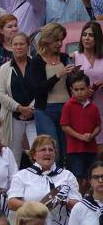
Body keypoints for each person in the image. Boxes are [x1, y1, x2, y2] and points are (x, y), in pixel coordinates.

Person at [8, 135, 81, 224]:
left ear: (55, 154)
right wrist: (37, 208)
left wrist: (63, 200)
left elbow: (77, 205)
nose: (47, 153)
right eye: (43, 150)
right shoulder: (22, 175)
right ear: (34, 155)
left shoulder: (67, 175)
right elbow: (11, 203)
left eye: (51, 150)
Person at [30, 23, 73, 160]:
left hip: (67, 107)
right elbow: (39, 89)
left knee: (66, 149)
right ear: (47, 39)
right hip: (45, 110)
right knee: (52, 148)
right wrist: (58, 75)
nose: (60, 44)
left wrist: (76, 75)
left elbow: (72, 84)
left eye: (61, 40)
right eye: (56, 40)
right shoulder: (37, 61)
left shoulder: (65, 57)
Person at [0, 32, 37, 166]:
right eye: (15, 44)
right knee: (13, 154)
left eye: (21, 44)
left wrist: (30, 109)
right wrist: (19, 108)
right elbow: (1, 94)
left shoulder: (37, 65)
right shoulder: (5, 68)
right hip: (13, 117)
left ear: (28, 46)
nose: (18, 47)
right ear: (11, 46)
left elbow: (42, 89)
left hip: (34, 116)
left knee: (37, 150)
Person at [60, 72, 101, 190]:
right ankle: (78, 198)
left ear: (89, 88)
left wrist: (91, 135)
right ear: (71, 90)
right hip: (75, 149)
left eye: (82, 89)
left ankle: (85, 196)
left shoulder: (93, 107)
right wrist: (80, 136)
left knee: (92, 174)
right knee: (77, 175)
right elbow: (64, 126)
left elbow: (98, 126)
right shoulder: (68, 105)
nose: (79, 92)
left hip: (91, 148)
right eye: (76, 89)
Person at [72, 21, 103, 152]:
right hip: (81, 108)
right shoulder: (74, 57)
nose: (87, 38)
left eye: (91, 35)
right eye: (84, 35)